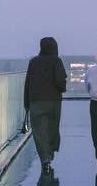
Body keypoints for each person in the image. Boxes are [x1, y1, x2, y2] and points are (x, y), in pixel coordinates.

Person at [23, 36, 67, 174]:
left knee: (39, 132)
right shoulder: (56, 61)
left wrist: (26, 104)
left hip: (36, 101)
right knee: (52, 128)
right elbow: (60, 81)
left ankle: (44, 158)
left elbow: (27, 84)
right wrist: (62, 88)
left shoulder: (33, 62)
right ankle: (51, 151)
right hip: (54, 101)